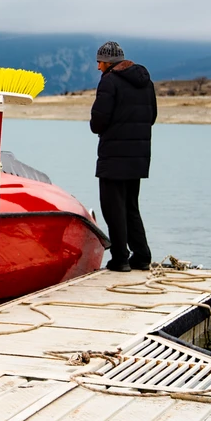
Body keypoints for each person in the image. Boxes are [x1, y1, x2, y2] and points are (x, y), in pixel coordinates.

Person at [89, 40, 156, 272]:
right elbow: (152, 117)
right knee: (130, 207)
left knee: (112, 208)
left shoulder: (109, 81)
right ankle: (142, 256)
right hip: (138, 156)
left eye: (99, 62)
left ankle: (120, 259)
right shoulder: (146, 82)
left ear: (108, 63)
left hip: (114, 156)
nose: (98, 67)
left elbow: (98, 122)